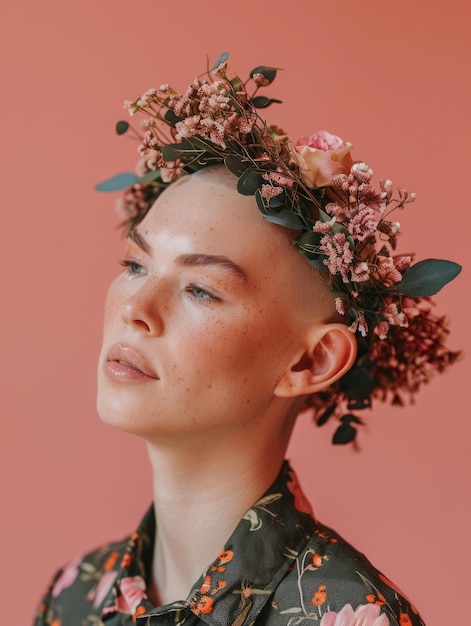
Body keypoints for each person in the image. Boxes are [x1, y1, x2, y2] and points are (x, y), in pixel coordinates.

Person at [34, 53, 461, 626]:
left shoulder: (349, 616)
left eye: (200, 290)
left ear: (312, 358)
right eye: (135, 265)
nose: (134, 310)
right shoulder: (74, 597)